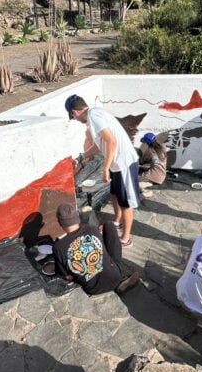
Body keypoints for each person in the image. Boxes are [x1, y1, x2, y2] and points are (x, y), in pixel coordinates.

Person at [66, 95, 140, 247]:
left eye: (73, 117)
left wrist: (105, 169)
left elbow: (111, 142)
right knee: (115, 193)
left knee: (126, 202)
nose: (75, 119)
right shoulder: (95, 114)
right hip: (116, 164)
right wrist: (82, 157)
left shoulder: (94, 116)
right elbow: (99, 145)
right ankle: (117, 222)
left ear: (74, 112)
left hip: (124, 163)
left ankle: (126, 239)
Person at [52, 203, 140, 295]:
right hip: (114, 275)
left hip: (93, 288)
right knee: (109, 225)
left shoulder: (58, 247)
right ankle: (120, 277)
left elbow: (65, 275)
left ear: (60, 223)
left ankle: (118, 279)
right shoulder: (91, 229)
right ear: (78, 218)